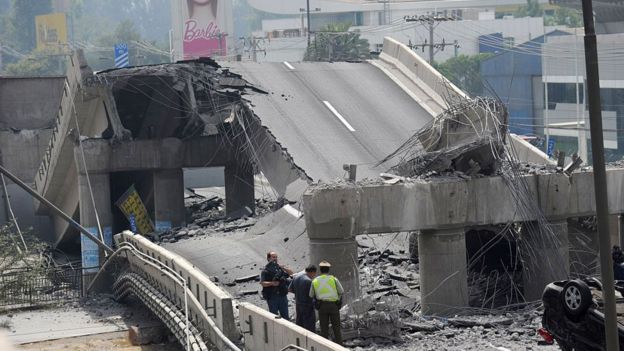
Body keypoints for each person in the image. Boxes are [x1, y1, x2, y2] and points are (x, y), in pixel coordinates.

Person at [309, 260, 344, 345]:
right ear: (328, 269)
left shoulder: (315, 281)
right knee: (336, 328)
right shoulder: (334, 279)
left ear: (320, 270)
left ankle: (325, 347)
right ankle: (339, 347)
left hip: (322, 306)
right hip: (333, 306)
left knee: (324, 329)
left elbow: (311, 295)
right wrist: (337, 298)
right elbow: (341, 291)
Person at [260, 251, 293, 320]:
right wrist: (272, 283)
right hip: (272, 297)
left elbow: (291, 273)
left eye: (276, 257)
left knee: (285, 317)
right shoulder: (265, 270)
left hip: (282, 295)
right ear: (268, 258)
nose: (275, 258)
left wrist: (283, 268)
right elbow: (262, 283)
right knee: (274, 317)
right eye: (273, 257)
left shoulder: (279, 269)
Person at [289, 264, 317, 332]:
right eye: (314, 274)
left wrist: (299, 293)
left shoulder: (296, 276)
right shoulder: (308, 281)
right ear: (312, 272)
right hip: (307, 306)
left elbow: (290, 289)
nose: (314, 276)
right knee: (309, 328)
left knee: (300, 326)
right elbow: (312, 295)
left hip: (298, 305)